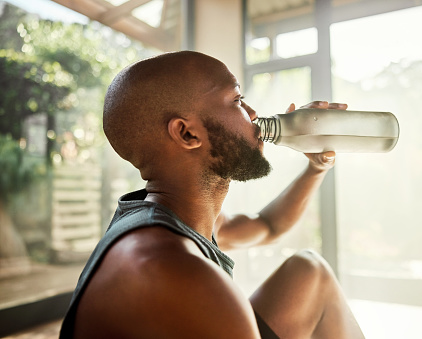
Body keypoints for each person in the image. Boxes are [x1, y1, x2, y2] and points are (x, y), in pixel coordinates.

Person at [59, 51, 364, 339]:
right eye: (237, 99)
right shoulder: (170, 269)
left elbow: (269, 225)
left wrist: (316, 168)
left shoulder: (183, 219)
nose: (253, 113)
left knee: (307, 272)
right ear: (187, 133)